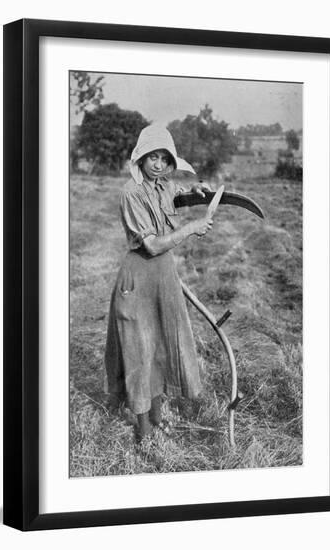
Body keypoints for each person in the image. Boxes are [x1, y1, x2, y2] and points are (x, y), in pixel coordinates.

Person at [104, 124, 213, 441]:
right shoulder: (131, 192)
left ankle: (157, 415)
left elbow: (178, 197)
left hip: (164, 276)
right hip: (138, 277)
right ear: (141, 158)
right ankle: (144, 431)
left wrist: (197, 191)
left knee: (163, 346)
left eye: (165, 159)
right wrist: (191, 228)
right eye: (153, 157)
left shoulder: (163, 186)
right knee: (140, 349)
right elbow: (151, 245)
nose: (159, 165)